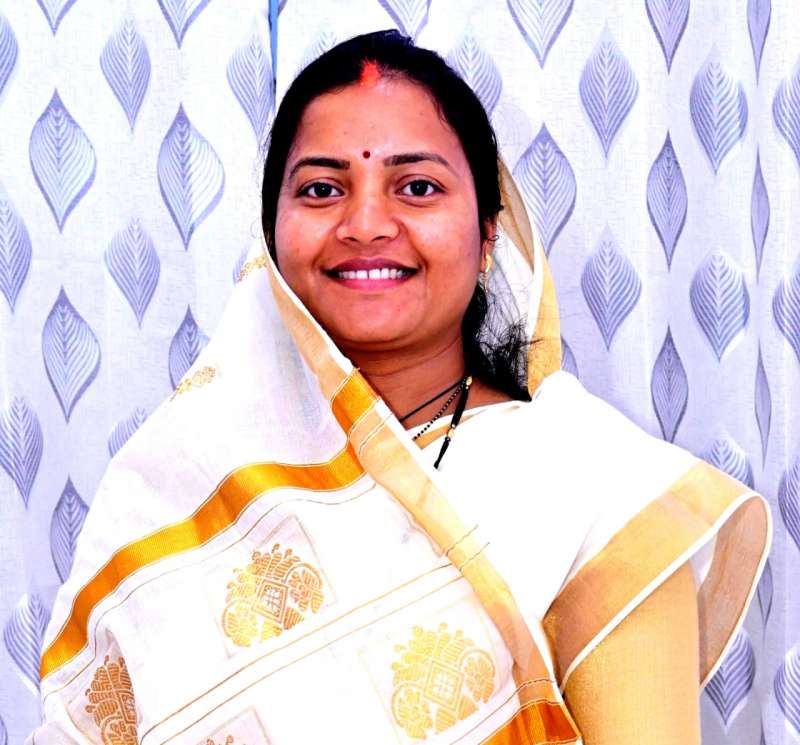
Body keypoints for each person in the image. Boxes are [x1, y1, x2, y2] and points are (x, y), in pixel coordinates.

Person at [28, 31, 770, 745]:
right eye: (322, 189)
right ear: (272, 234)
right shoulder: (173, 487)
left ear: (487, 233)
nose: (365, 224)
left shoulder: (594, 489)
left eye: (417, 187)